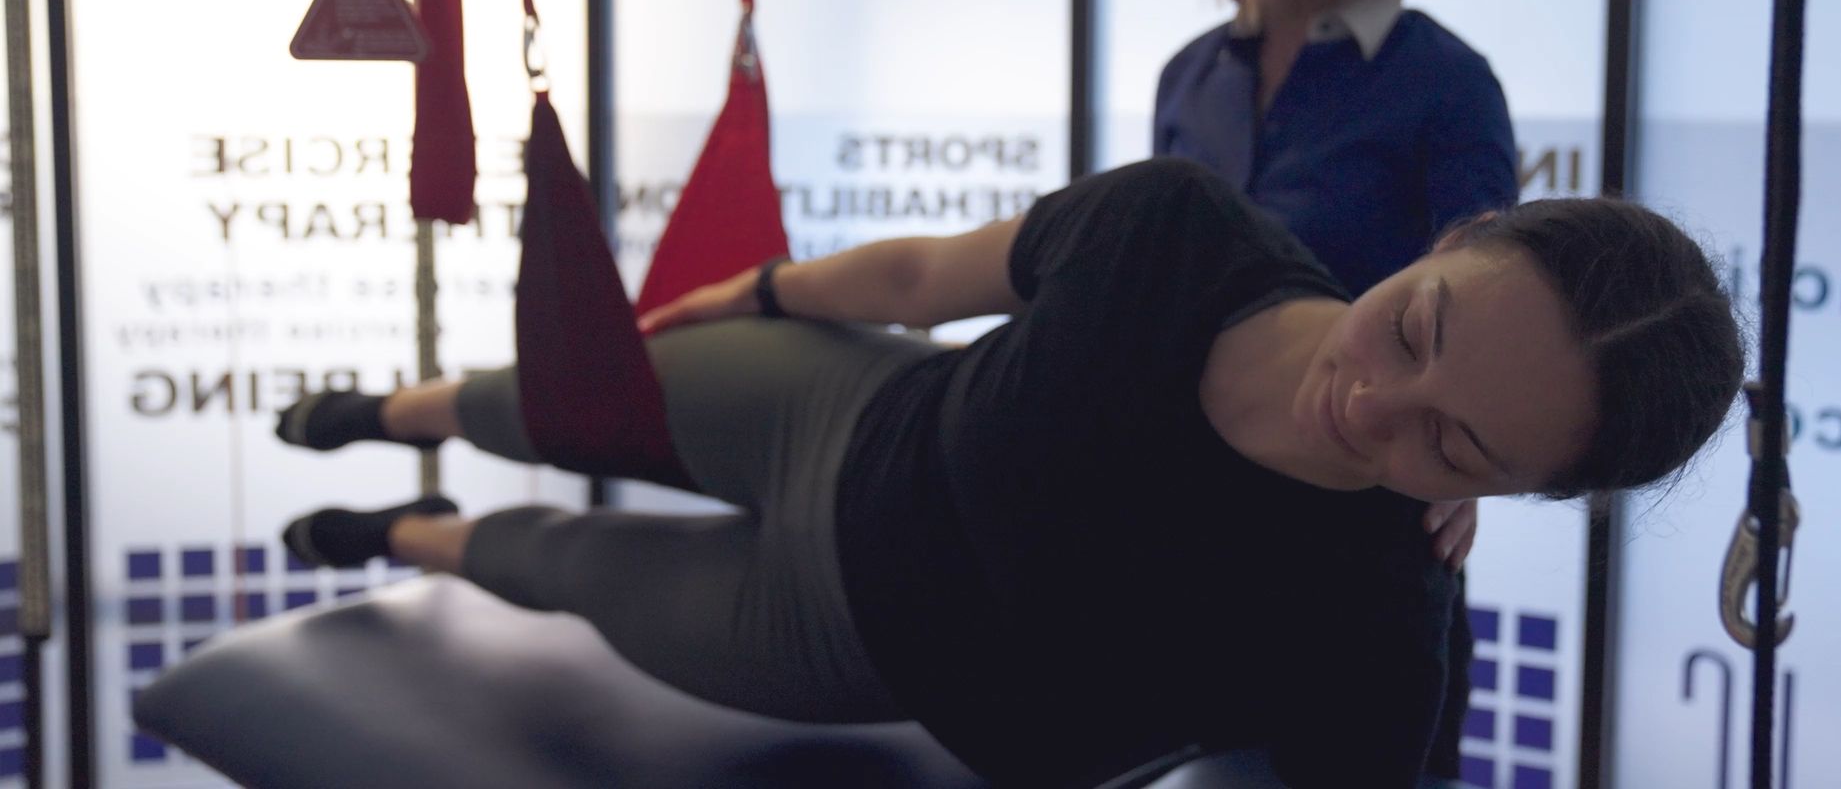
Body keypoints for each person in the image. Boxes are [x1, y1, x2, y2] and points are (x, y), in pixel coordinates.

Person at [273, 158, 1742, 788]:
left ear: (1511, 494)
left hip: (833, 637)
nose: (1375, 406)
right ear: (1452, 238)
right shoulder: (1178, 232)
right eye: (1418, 330)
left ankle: (408, 534)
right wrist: (765, 292)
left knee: (566, 568)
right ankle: (402, 412)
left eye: (1456, 444)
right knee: (562, 402)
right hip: (842, 411)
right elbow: (929, 271)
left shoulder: (1374, 630)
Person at [1155, 0, 1520, 779]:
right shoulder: (1189, 79)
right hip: (1192, 565)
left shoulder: (1444, 88)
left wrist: (1473, 467)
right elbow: (1152, 301)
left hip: (1363, 593)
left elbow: (1494, 332)